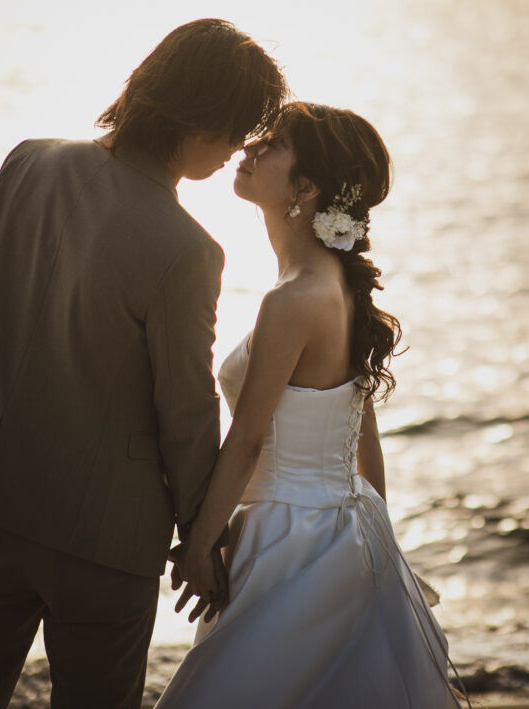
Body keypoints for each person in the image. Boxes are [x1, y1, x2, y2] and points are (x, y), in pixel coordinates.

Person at [0, 18, 287, 709]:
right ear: (198, 117)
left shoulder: (26, 162)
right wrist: (199, 539)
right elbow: (182, 412)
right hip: (105, 539)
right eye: (235, 128)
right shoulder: (188, 250)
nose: (237, 147)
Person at [156, 102, 466, 708]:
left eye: (269, 144)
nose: (248, 149)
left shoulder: (296, 299)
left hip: (291, 540)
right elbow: (363, 434)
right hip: (341, 530)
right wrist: (380, 540)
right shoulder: (334, 286)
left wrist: (198, 545)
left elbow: (246, 441)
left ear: (307, 186)